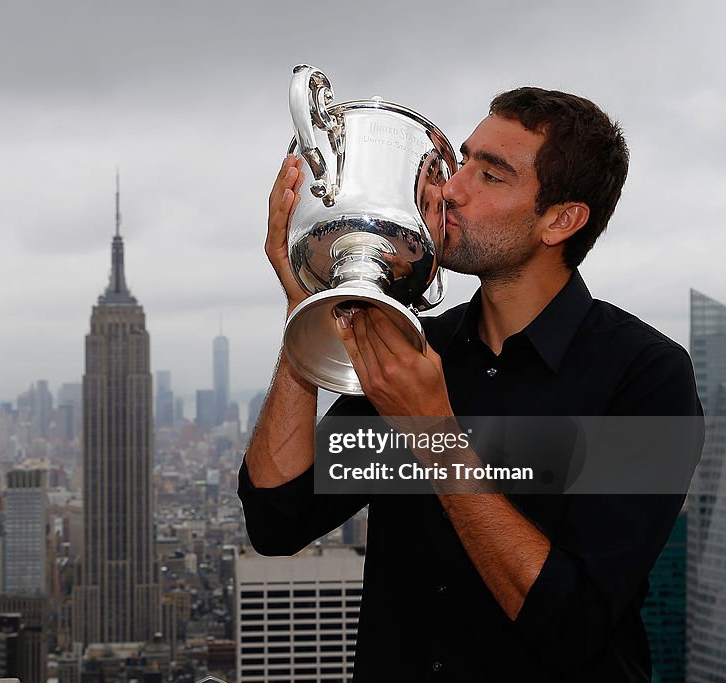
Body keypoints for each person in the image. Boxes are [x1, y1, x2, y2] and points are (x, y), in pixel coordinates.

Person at [239, 88, 703, 680]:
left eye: (491, 175)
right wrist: (307, 310)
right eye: (461, 162)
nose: (450, 188)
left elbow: (574, 624)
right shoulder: (414, 350)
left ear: (560, 220)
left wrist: (432, 431)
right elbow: (277, 522)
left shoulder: (645, 375)